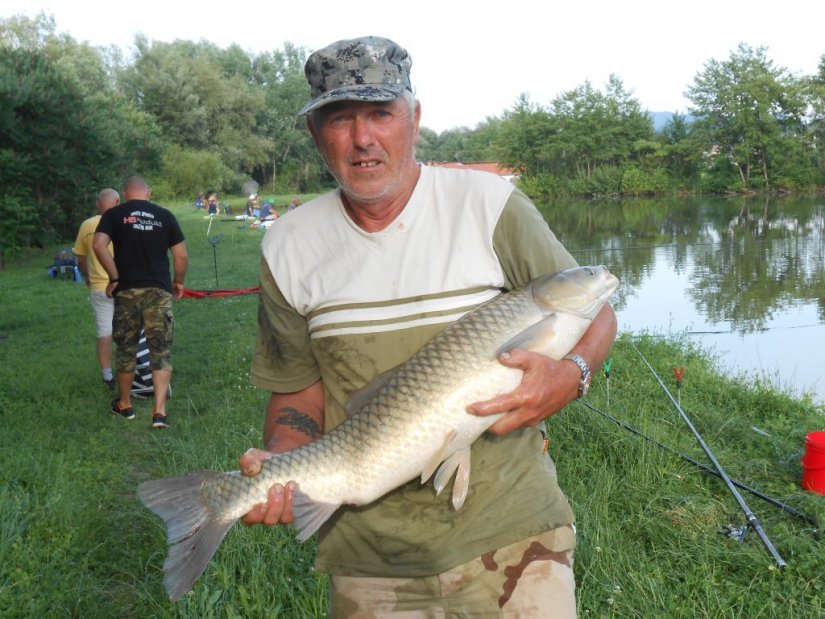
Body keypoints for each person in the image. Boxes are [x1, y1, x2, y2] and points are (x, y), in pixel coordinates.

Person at [241, 36, 617, 616]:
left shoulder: (489, 203)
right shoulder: (288, 245)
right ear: (317, 137)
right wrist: (284, 465)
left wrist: (574, 373)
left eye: (381, 114)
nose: (363, 138)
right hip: (370, 557)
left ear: (414, 119)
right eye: (340, 119)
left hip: (514, 529)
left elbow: (595, 311)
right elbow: (295, 394)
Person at [93, 176, 188, 429]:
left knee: (127, 350)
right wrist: (178, 282)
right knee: (161, 350)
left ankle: (125, 405)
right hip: (158, 291)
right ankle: (159, 412)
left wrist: (114, 276)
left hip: (127, 291)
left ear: (125, 193)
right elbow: (181, 255)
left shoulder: (114, 215)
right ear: (149, 192)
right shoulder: (164, 215)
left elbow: (98, 245)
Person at [73, 188, 121, 390]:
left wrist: (87, 277)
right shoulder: (124, 221)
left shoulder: (87, 225)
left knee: (104, 332)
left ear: (97, 204)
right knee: (132, 329)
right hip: (124, 285)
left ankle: (108, 376)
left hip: (99, 288)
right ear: (118, 202)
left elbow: (81, 258)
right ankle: (138, 370)